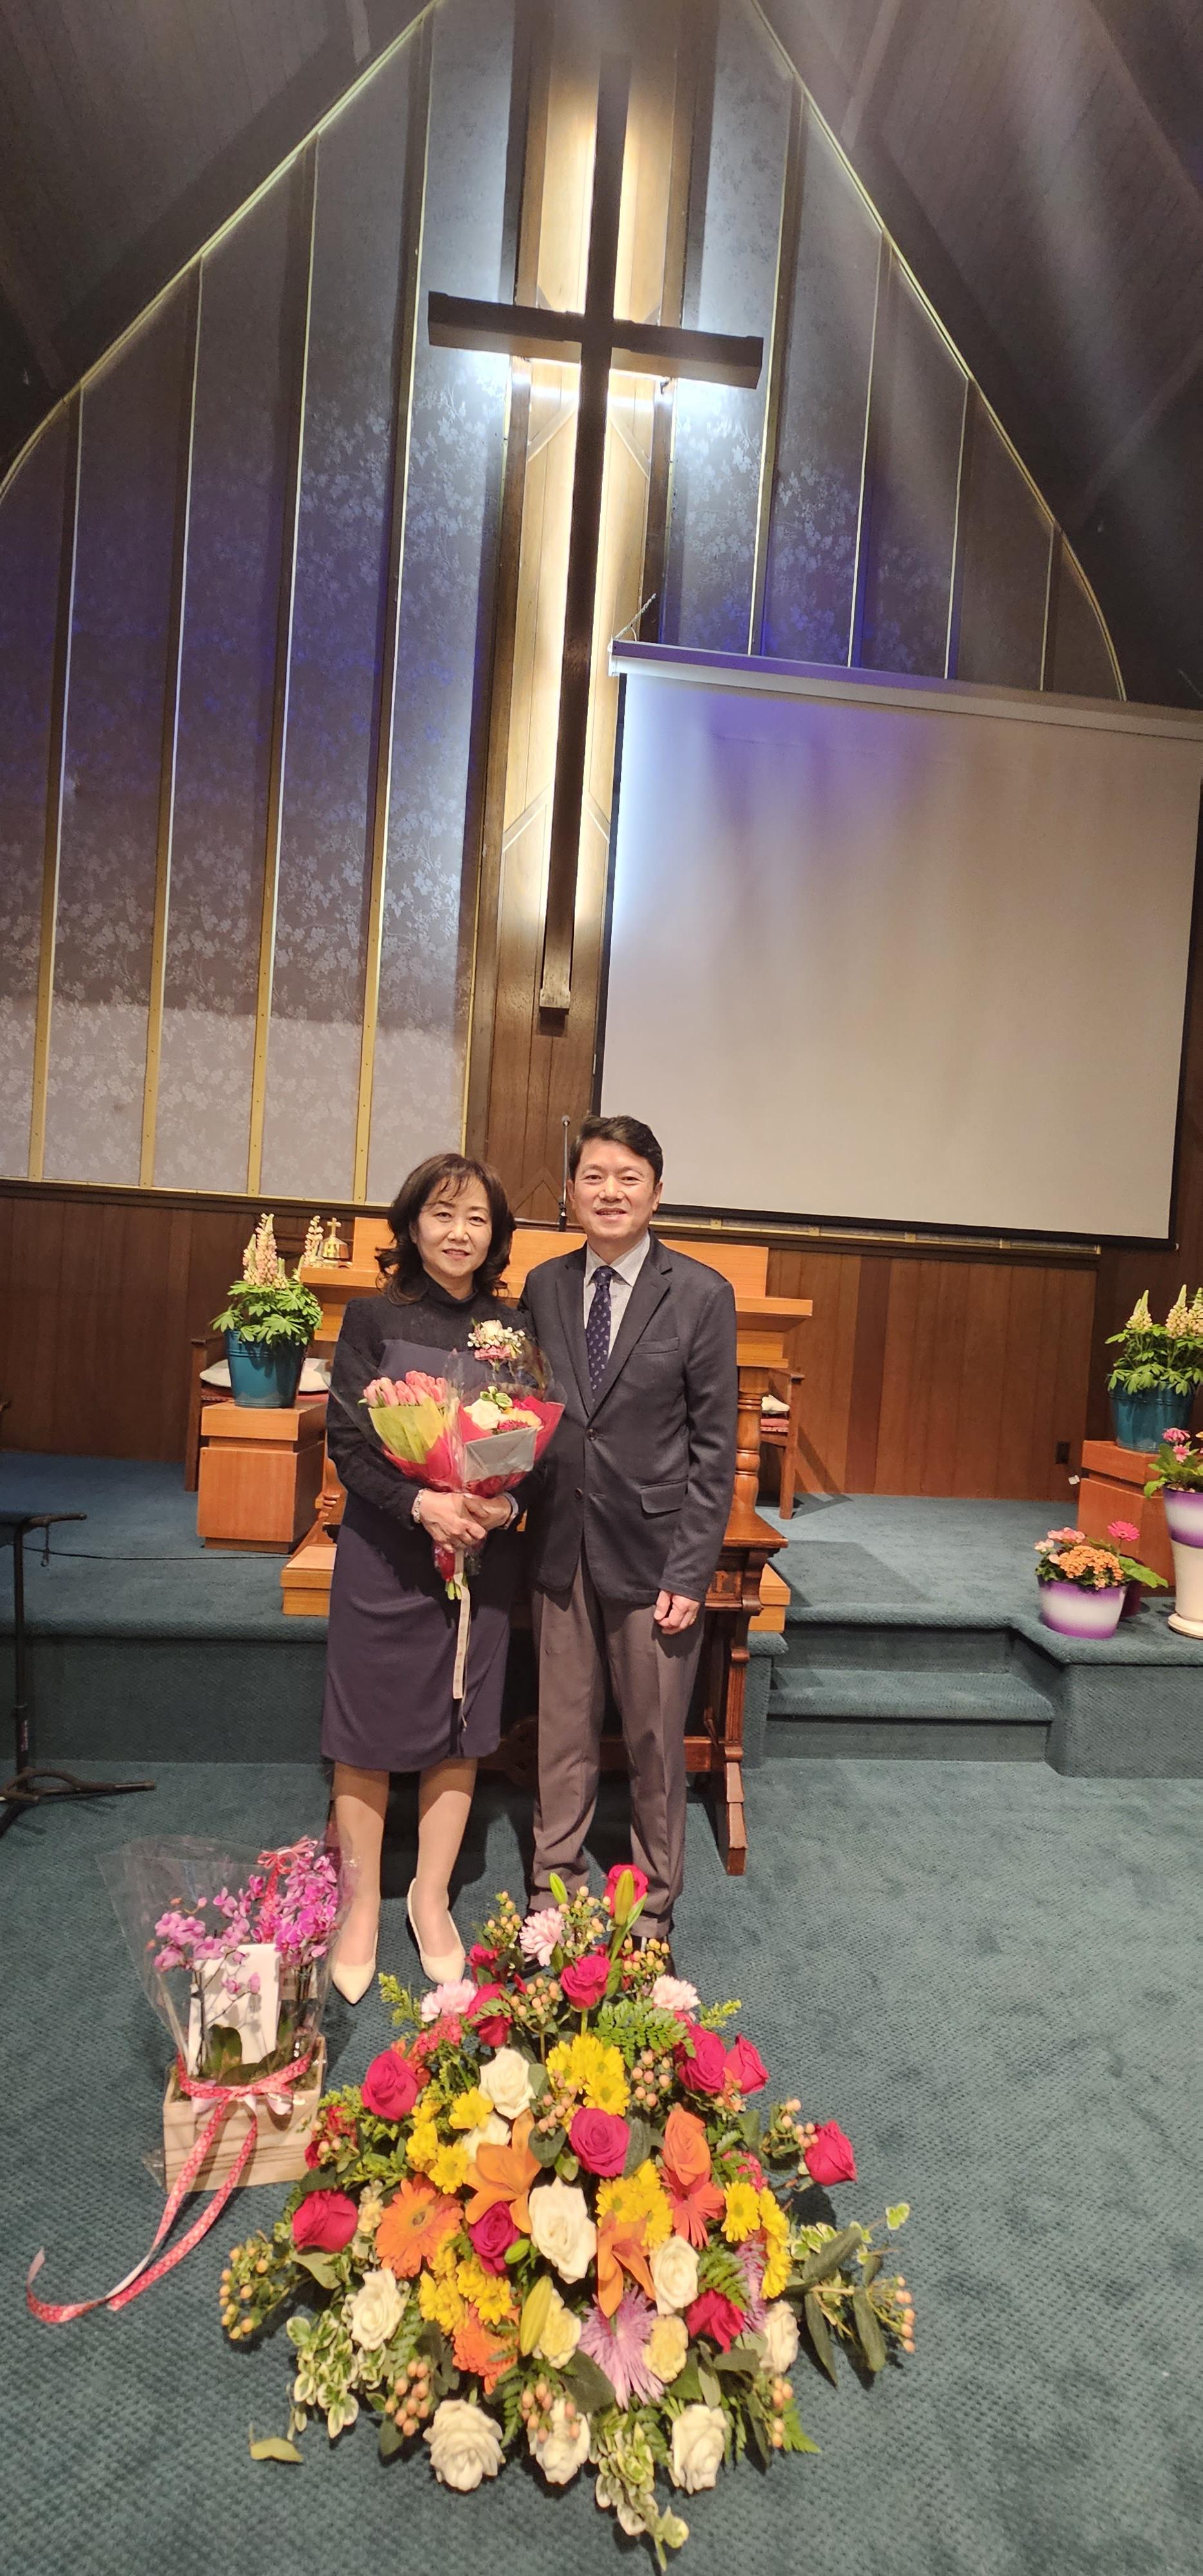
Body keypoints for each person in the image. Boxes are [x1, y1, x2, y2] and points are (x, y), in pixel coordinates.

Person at [520, 1114, 737, 1951]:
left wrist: (691, 1570)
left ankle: (650, 1908)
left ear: (656, 1192)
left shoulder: (702, 1294)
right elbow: (527, 1411)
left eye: (628, 1178)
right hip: (560, 1543)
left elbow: (715, 1448)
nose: (610, 1192)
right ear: (571, 1192)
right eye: (594, 1177)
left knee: (653, 1743)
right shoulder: (542, 1286)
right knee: (562, 1735)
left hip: (656, 1556)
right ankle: (554, 1892)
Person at [321, 1154, 523, 2001]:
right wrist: (419, 1505)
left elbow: (527, 1442)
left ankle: (430, 1897)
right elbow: (347, 1440)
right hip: (386, 1552)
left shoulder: (511, 1327)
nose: (459, 1233)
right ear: (411, 1224)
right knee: (365, 1727)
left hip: (477, 1552)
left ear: (495, 1234)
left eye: (476, 1218)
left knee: (458, 1723)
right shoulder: (372, 1316)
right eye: (443, 1214)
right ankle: (361, 1903)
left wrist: (502, 1505)